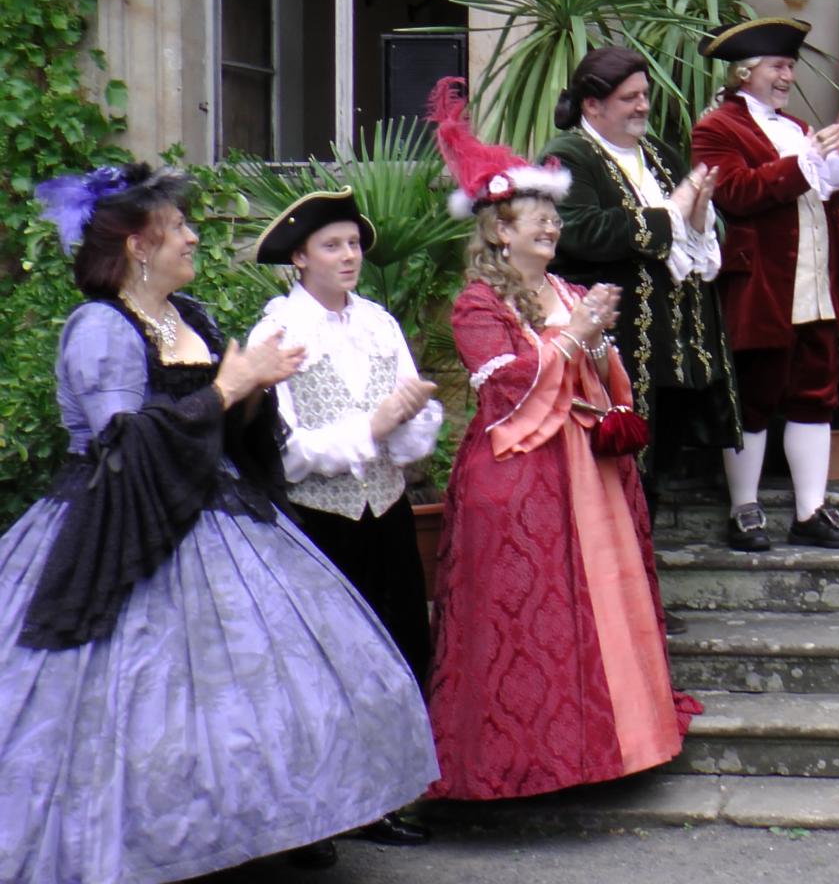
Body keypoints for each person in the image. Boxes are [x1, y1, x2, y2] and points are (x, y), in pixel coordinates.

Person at [0, 164, 437, 880]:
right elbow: (123, 449)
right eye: (178, 228)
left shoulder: (191, 316)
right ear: (139, 245)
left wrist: (254, 391)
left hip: (216, 517)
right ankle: (139, 842)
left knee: (259, 685)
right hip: (119, 531)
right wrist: (227, 389)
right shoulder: (99, 328)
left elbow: (225, 429)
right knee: (136, 697)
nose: (193, 238)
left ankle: (258, 826)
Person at [423, 80, 700, 800]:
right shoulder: (477, 303)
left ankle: (614, 744)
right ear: (499, 232)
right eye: (536, 217)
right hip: (520, 476)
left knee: (600, 604)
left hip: (588, 472)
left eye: (552, 216)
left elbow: (601, 380)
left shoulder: (570, 292)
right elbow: (505, 387)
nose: (551, 225)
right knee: (537, 615)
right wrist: (573, 338)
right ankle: (533, 761)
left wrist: (598, 341)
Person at [249, 187, 443, 847]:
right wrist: (372, 427)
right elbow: (284, 453)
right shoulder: (277, 332)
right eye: (332, 245)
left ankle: (383, 798)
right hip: (319, 522)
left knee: (399, 648)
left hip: (386, 510)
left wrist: (408, 421)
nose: (349, 255)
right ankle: (323, 815)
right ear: (300, 257)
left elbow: (412, 426)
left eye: (354, 243)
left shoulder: (379, 323)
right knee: (325, 662)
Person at [691, 17, 839, 551]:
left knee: (816, 396)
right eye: (778, 66)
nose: (787, 77)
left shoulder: (794, 127)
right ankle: (744, 510)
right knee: (753, 398)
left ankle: (810, 510)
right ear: (744, 71)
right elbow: (738, 193)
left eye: (791, 67)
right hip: (762, 286)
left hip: (813, 284)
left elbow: (819, 194)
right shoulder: (717, 128)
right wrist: (812, 158)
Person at [542, 45, 741, 509]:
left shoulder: (659, 153)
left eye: (644, 95)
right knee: (619, 459)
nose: (642, 106)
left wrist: (699, 218)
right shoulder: (567, 156)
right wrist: (671, 214)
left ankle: (645, 538)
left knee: (662, 454)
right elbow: (582, 230)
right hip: (618, 336)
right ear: (593, 105)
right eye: (629, 97)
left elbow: (702, 224)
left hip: (674, 342)